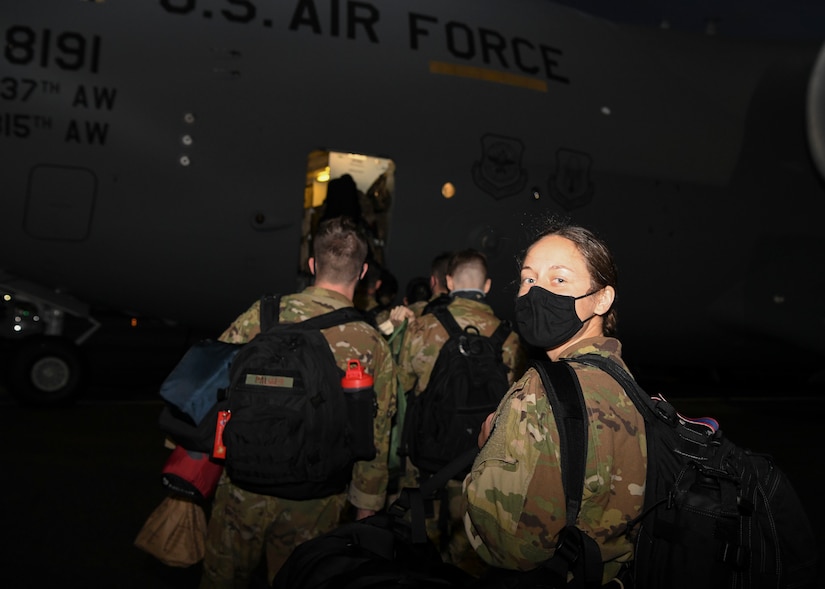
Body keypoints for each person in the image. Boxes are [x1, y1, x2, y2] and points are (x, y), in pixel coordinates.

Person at [200, 216, 397, 589]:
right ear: (364, 272)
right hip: (315, 500)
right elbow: (377, 432)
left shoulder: (264, 314)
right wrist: (366, 507)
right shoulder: (370, 342)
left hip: (242, 487)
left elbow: (214, 383)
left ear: (311, 265)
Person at [462, 223, 647, 585]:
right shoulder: (623, 382)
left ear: (602, 299)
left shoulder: (541, 392)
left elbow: (511, 543)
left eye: (559, 280)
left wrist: (485, 454)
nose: (536, 292)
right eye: (528, 279)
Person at [396, 249, 525, 575]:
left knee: (416, 557)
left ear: (449, 281)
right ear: (488, 285)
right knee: (465, 563)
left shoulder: (423, 327)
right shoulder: (510, 338)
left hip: (425, 465)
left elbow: (404, 385)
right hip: (476, 468)